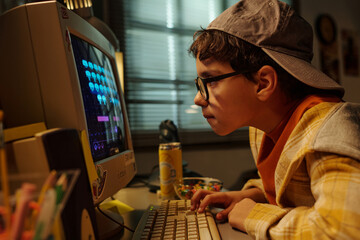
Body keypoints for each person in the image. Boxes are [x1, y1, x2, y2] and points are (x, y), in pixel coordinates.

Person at [188, 0, 360, 239]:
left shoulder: (327, 136)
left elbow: (344, 229)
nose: (198, 98)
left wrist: (255, 215)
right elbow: (294, 187)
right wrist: (252, 195)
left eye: (211, 81)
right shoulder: (263, 127)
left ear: (263, 83)